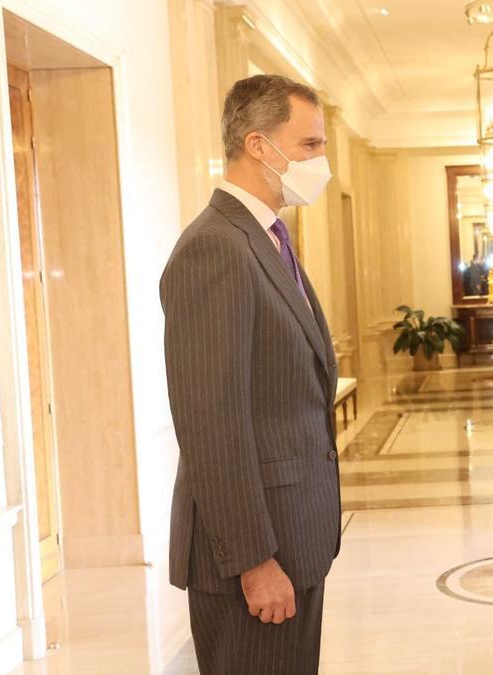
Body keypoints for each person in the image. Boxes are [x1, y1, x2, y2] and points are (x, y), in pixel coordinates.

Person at [160, 74, 341, 675]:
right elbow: (212, 424)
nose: (322, 161)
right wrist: (254, 561)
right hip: (255, 558)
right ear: (260, 145)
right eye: (311, 145)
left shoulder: (265, 239)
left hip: (294, 538)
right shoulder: (216, 247)